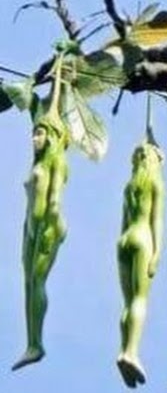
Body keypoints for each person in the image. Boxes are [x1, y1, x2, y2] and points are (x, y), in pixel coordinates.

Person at [13, 114, 69, 371]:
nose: (35, 138)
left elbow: (55, 197)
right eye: (34, 133)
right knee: (28, 282)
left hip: (47, 224)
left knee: (37, 280)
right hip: (31, 228)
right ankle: (31, 343)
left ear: (51, 137)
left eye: (41, 133)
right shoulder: (37, 163)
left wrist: (50, 225)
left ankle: (37, 343)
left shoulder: (56, 160)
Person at [116, 140, 164, 388]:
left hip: (123, 241)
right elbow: (157, 220)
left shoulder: (129, 185)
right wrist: (156, 252)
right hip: (142, 237)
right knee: (139, 300)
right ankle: (131, 352)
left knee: (127, 302)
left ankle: (124, 349)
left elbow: (123, 222)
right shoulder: (155, 182)